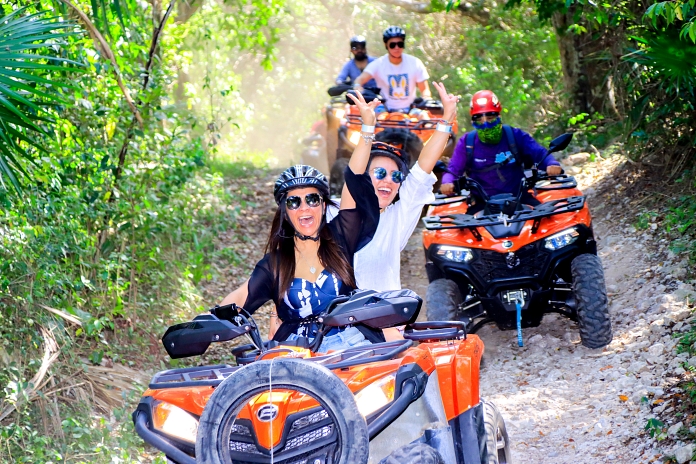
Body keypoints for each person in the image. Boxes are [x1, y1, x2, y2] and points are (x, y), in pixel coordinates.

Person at [220, 91, 383, 352]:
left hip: (350, 351)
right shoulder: (274, 264)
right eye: (294, 202)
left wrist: (367, 129)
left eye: (312, 199)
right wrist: (203, 324)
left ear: (323, 205)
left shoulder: (341, 237)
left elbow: (354, 176)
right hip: (296, 357)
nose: (304, 207)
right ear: (285, 211)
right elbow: (240, 298)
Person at [352, 81, 458, 294]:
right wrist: (367, 128)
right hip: (340, 314)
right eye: (379, 173)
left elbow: (423, 167)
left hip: (385, 312)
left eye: (396, 176)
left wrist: (446, 119)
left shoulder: (398, 217)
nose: (388, 180)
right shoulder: (338, 212)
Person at [440, 90, 563, 211]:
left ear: (499, 116)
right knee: (455, 223)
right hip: (482, 203)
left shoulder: (515, 135)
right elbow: (453, 169)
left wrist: (551, 164)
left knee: (550, 216)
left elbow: (540, 153)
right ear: (473, 121)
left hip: (520, 198)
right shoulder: (467, 142)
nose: (486, 124)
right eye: (479, 120)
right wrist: (447, 182)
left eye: (490, 117)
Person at [353, 26, 431, 111]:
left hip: (411, 109)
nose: (396, 48)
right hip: (385, 109)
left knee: (424, 117)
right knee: (373, 116)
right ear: (386, 45)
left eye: (400, 44)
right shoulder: (378, 64)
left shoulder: (415, 63)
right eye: (392, 45)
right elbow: (359, 80)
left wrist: (426, 99)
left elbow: (425, 89)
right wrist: (358, 88)